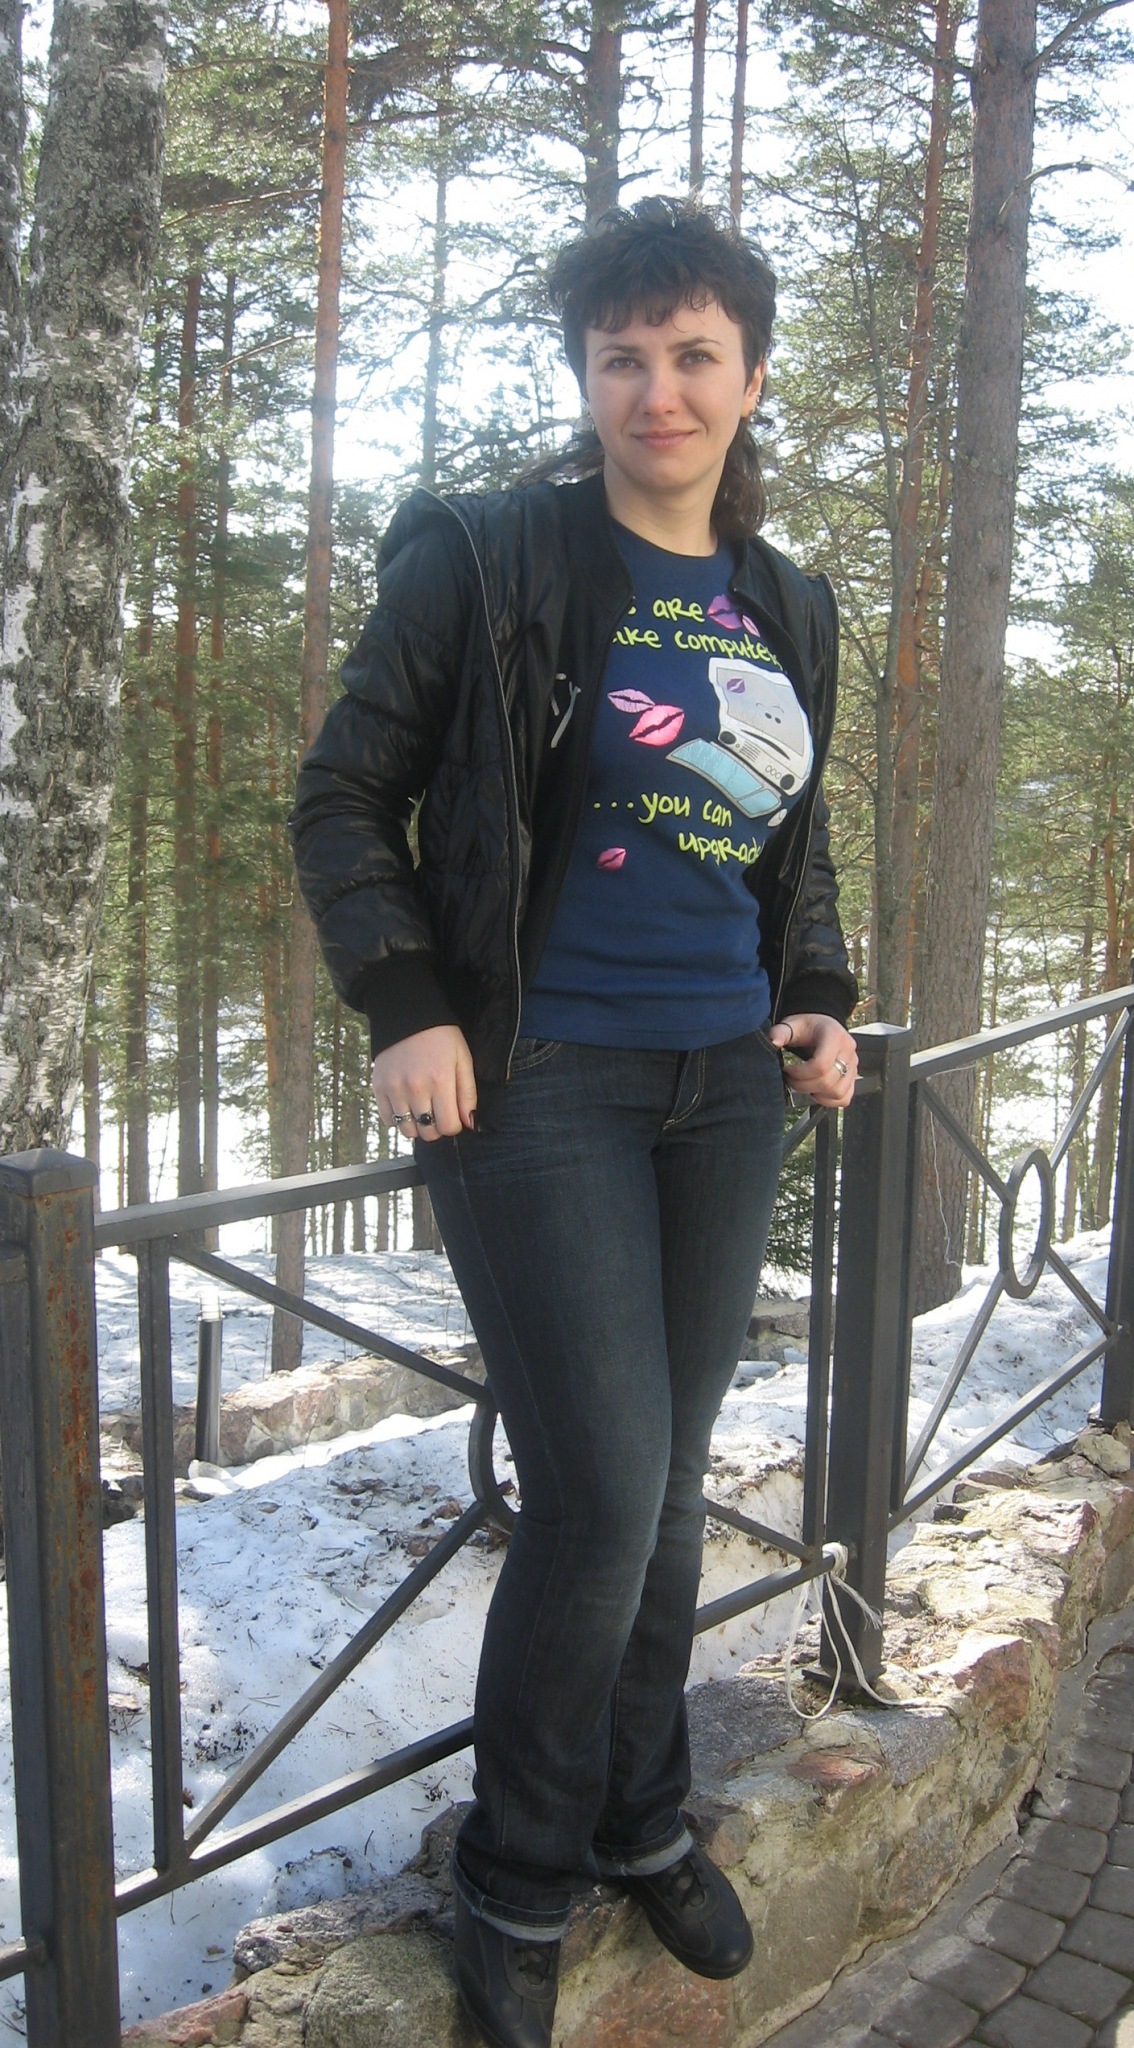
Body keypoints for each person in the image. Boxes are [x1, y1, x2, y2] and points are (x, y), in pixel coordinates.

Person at [289, 196, 858, 2048]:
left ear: (748, 376)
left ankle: (638, 1813)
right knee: (602, 1494)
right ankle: (517, 1870)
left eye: (693, 354)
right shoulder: (487, 556)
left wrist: (818, 991)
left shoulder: (787, 602)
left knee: (669, 1489)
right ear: (586, 376)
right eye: (622, 357)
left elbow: (785, 837)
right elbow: (345, 795)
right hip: (537, 1085)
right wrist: (406, 1001)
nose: (656, 389)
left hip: (721, 1088)